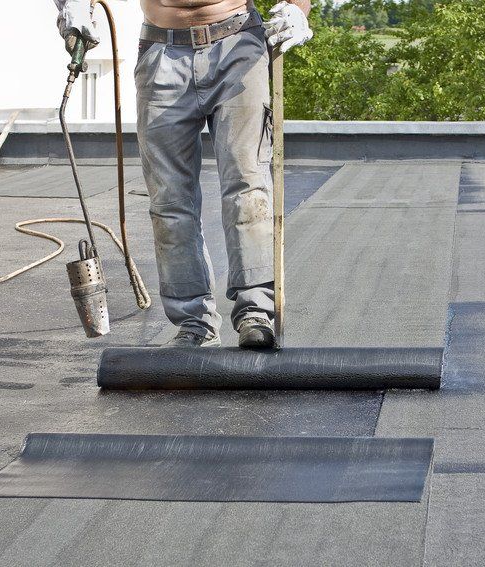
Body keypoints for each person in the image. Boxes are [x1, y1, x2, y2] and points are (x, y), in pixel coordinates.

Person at [54, 0, 312, 348]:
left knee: (247, 186)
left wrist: (297, 8)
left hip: (237, 46)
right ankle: (194, 322)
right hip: (162, 50)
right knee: (169, 199)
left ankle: (256, 311)